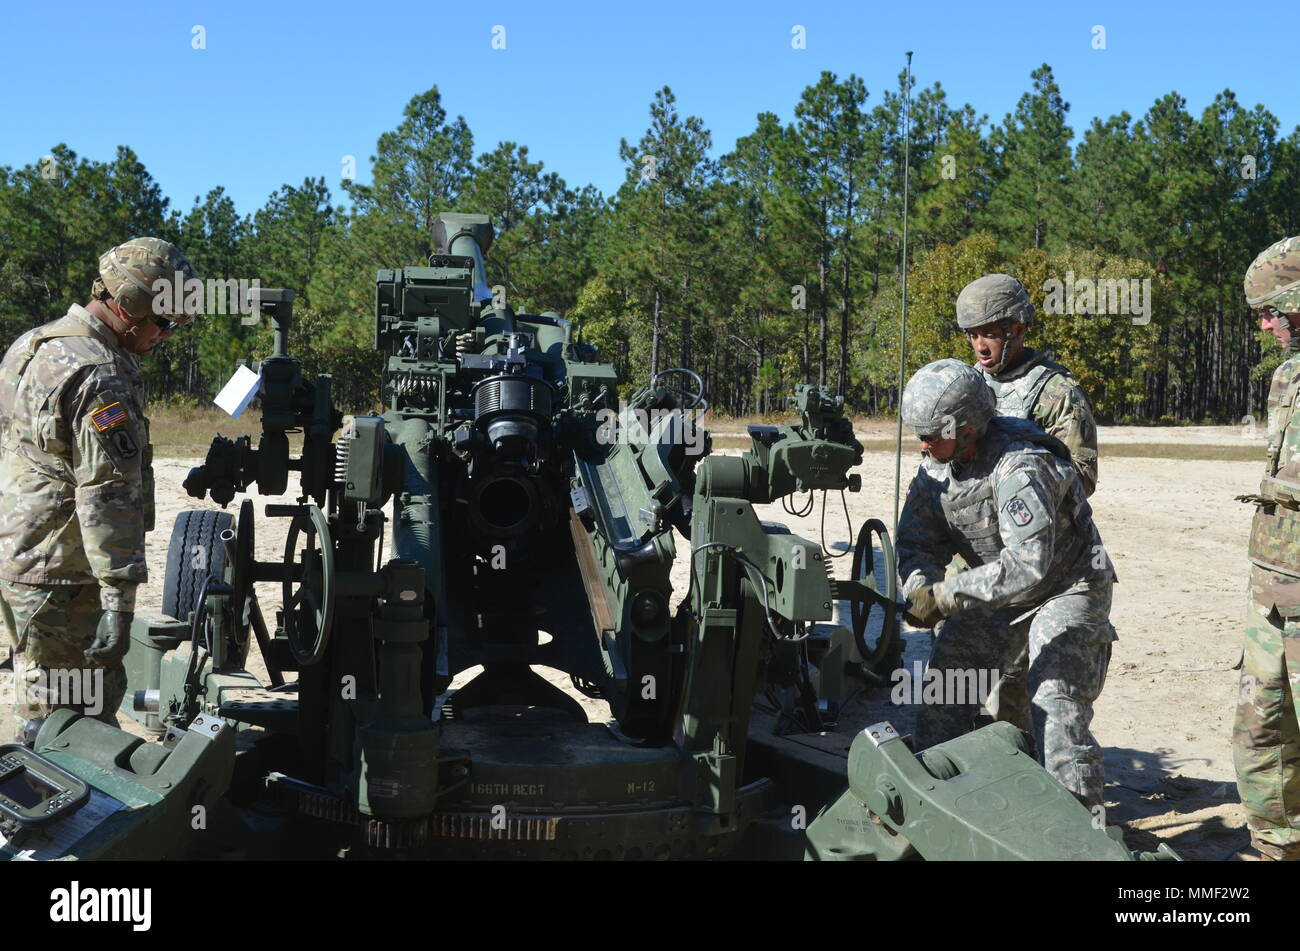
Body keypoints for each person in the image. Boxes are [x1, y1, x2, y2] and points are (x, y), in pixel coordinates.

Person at [0, 237, 198, 743]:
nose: (167, 336)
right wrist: (119, 602)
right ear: (130, 306)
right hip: (67, 576)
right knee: (74, 730)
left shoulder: (35, 344)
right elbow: (107, 494)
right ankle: (48, 821)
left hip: (23, 560)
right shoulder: (100, 374)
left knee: (46, 705)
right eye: (164, 322)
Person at [896, 358, 1117, 810]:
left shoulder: (1021, 466)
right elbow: (917, 541)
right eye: (918, 433)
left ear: (969, 428)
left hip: (1066, 587)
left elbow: (1028, 564)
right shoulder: (934, 468)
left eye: (933, 434)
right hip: (994, 592)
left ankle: (1078, 836)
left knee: (1056, 710)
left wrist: (943, 597)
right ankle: (938, 816)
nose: (922, 443)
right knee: (944, 700)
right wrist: (919, 583)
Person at [1234, 234, 1300, 860]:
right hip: (1272, 593)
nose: (1265, 324)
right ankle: (1278, 849)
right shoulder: (1287, 376)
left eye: (1274, 311)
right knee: (1261, 735)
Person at [957, 273, 1099, 497]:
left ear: (1018, 330)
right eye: (973, 335)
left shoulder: (1057, 393)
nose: (980, 346)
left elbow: (1082, 478)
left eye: (989, 334)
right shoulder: (964, 383)